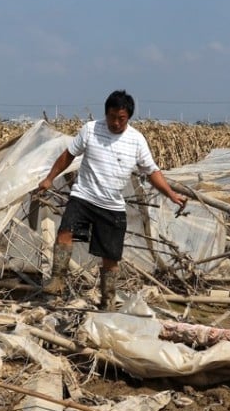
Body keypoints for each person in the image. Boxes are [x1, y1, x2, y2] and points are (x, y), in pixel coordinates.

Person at [37, 90, 187, 310]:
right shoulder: (90, 130)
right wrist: (49, 178)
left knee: (110, 257)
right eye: (112, 117)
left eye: (121, 119)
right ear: (106, 113)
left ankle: (107, 301)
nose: (116, 123)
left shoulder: (136, 140)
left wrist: (171, 194)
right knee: (65, 231)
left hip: (112, 206)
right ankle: (57, 280)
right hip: (84, 196)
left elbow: (151, 171)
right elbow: (68, 155)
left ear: (129, 117)